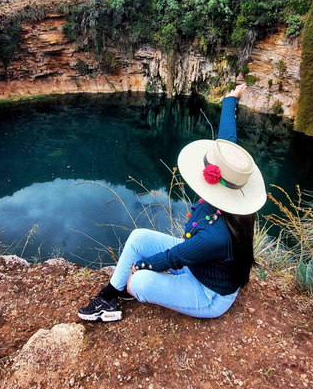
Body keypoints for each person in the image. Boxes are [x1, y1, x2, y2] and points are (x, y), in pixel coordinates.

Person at [78, 84, 266, 322]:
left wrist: (138, 267)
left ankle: (133, 290)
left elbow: (176, 256)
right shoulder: (232, 195)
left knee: (139, 282)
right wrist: (230, 100)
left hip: (209, 293)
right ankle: (109, 297)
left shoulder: (217, 235)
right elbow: (227, 143)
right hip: (199, 263)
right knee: (138, 238)